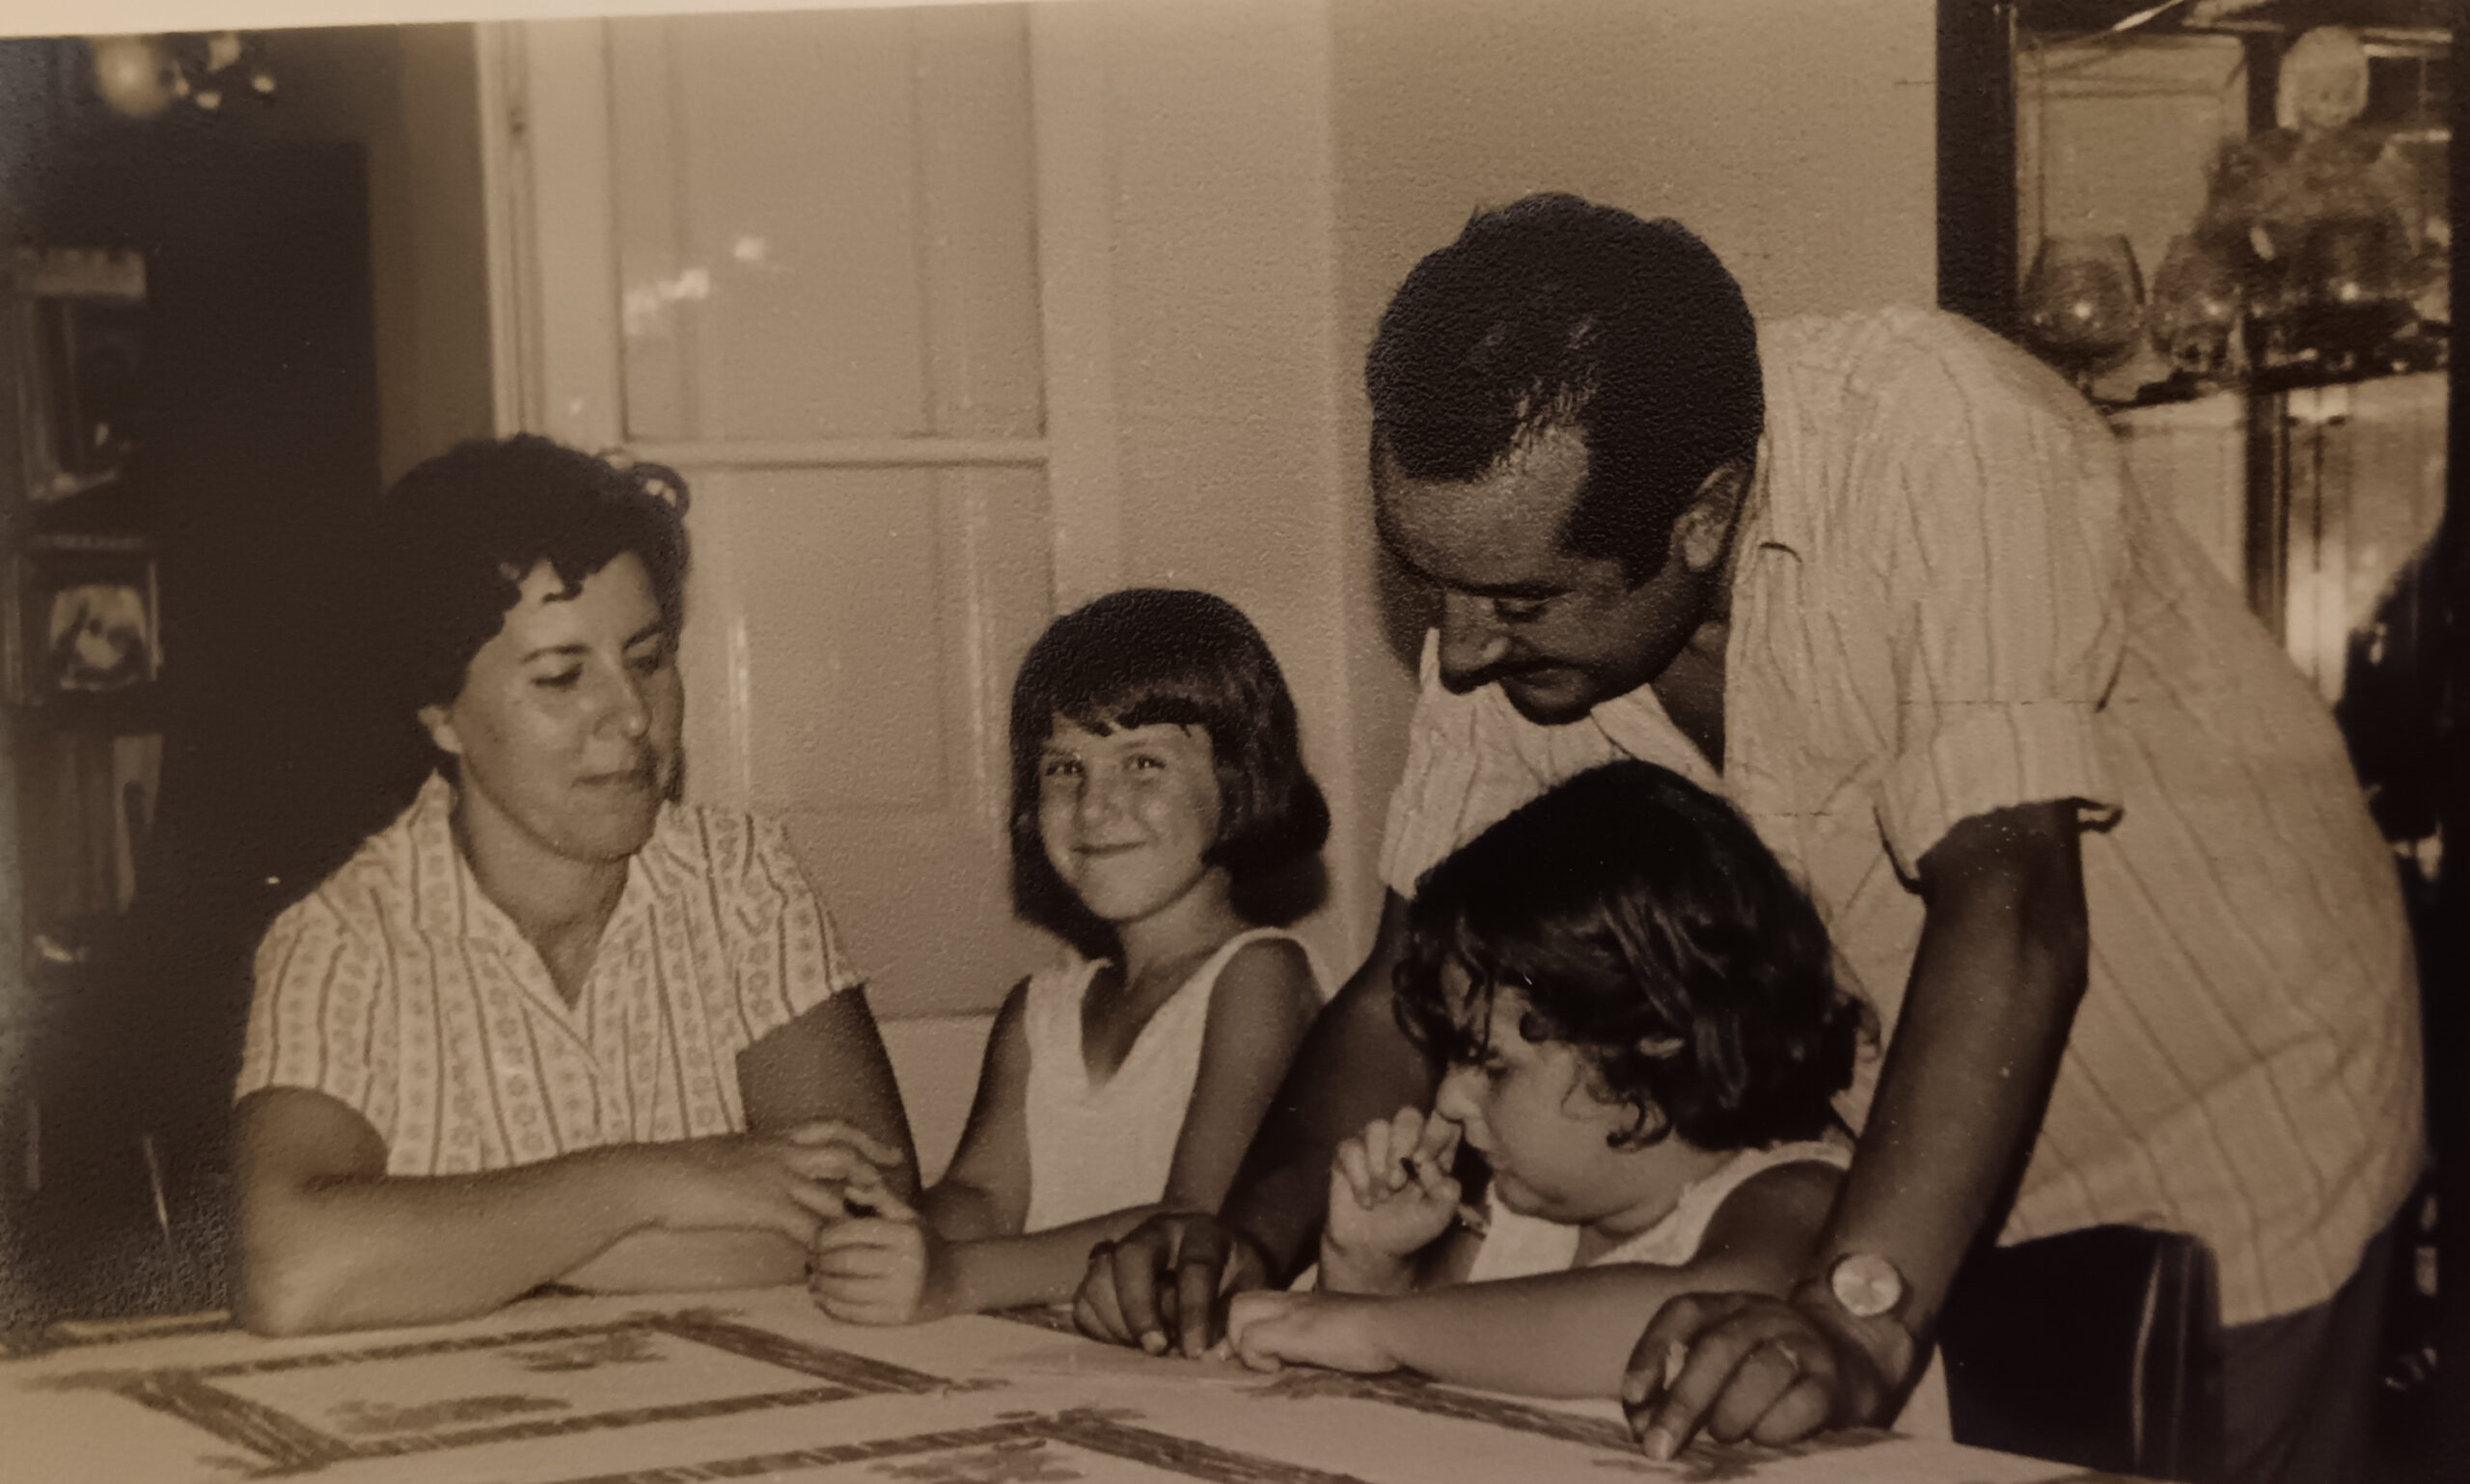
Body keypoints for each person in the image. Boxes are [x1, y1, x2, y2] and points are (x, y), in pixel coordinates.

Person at [1077, 195, 2422, 1484]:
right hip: (1897, 1183)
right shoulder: (1506, 582)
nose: (1461, 648)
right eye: (1429, 584)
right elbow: (1405, 983)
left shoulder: (1945, 433)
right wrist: (1242, 1237)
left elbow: (2011, 908)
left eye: (1518, 602)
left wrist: (1857, 1314)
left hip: (2221, 1133)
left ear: (1704, 514)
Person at [231, 435, 917, 1336]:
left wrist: (459, 1253)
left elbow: (872, 1221)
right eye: (560, 677)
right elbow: (290, 1272)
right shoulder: (345, 939)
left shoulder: (741, 881)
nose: (630, 717)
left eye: (648, 659)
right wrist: (660, 1180)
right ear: (442, 715)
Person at [1220, 761, 1918, 1412]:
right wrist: (1369, 1273)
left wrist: (1376, 1327)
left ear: (1654, 1037)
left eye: (1493, 1065)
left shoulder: (1798, 1192)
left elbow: (1696, 1316)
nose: (1449, 1101)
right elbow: (1414, 1395)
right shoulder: (1518, 1217)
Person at [807, 589, 1330, 1325]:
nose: (1093, 804)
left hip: (1208, 1354)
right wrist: (895, 1234)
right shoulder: (1041, 1011)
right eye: (1064, 768)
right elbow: (984, 1195)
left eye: (1142, 763)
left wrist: (957, 1277)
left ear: (1240, 780)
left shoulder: (1259, 977)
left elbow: (1191, 1223)